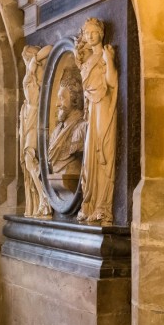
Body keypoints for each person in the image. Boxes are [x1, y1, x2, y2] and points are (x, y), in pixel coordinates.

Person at [73, 18, 118, 225]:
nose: (90, 36)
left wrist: (109, 60)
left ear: (101, 33)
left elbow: (111, 82)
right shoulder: (88, 59)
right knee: (90, 158)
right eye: (87, 32)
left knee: (103, 152)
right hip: (91, 109)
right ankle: (89, 202)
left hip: (103, 106)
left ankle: (102, 206)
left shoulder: (104, 55)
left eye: (93, 32)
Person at [20, 45, 53, 218]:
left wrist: (36, 58)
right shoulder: (29, 79)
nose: (28, 62)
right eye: (27, 59)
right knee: (29, 161)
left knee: (29, 158)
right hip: (30, 122)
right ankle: (42, 198)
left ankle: (44, 197)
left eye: (28, 58)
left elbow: (49, 48)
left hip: (36, 123)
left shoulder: (36, 78)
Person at [48, 68, 87, 176]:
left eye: (62, 98)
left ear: (75, 99)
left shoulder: (82, 128)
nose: (57, 104)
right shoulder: (57, 131)